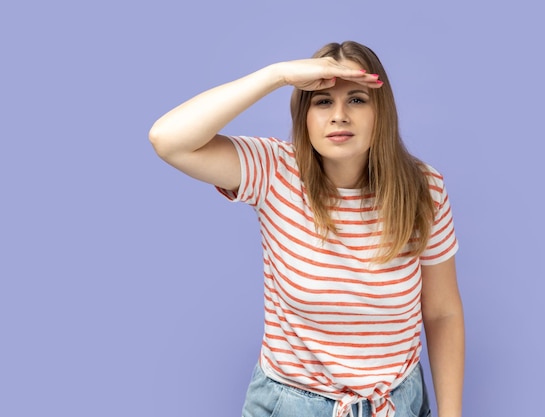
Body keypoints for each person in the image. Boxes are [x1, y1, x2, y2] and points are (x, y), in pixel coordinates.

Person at [149, 40, 464, 417]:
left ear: (382, 112)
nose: (340, 115)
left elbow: (443, 312)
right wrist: (277, 75)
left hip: (396, 403)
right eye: (323, 101)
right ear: (304, 115)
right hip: (293, 405)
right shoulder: (274, 171)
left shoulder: (424, 188)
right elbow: (168, 140)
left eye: (358, 100)